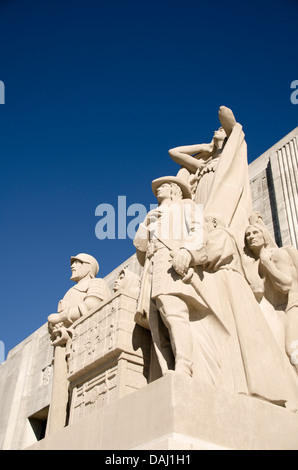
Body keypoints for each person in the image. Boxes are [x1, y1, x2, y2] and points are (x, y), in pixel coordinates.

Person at [133, 175, 207, 377]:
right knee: (156, 323)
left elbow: (199, 232)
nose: (158, 189)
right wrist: (146, 224)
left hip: (171, 261)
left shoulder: (186, 206)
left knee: (174, 312)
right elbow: (140, 251)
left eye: (163, 186)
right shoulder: (152, 215)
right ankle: (168, 371)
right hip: (152, 267)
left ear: (175, 189)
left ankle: (184, 366)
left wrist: (187, 252)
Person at [245, 215, 298, 374]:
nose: (251, 237)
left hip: (293, 304)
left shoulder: (275, 254)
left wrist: (267, 263)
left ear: (264, 236)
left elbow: (285, 284)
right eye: (248, 235)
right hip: (280, 310)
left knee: (293, 348)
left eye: (255, 233)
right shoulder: (257, 262)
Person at [48, 253, 111, 343]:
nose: (73, 266)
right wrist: (53, 325)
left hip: (88, 338)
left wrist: (60, 318)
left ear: (89, 266)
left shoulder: (97, 282)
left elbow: (91, 306)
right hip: (67, 340)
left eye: (78, 262)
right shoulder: (69, 292)